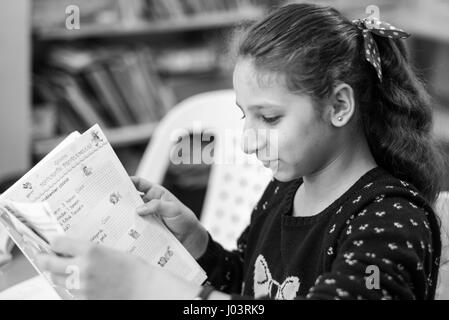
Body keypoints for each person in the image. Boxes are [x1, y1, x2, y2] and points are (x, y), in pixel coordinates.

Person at [37, 3, 445, 300]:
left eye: (268, 118)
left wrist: (147, 288)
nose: (249, 141)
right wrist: (198, 243)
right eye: (244, 117)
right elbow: (247, 287)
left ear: (339, 106)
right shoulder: (285, 190)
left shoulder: (391, 221)